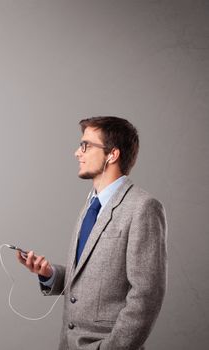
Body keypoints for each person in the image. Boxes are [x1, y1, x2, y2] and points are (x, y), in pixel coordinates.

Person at [17, 116, 167, 350]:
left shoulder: (143, 207)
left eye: (85, 145)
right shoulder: (91, 204)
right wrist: (49, 274)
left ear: (112, 154)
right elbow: (94, 280)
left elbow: (147, 296)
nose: (77, 153)